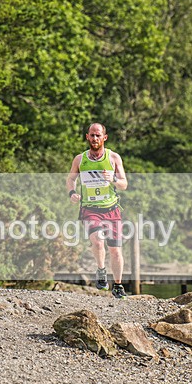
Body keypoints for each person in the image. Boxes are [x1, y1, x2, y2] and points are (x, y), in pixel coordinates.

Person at [66, 123, 129, 299]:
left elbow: (124, 184)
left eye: (98, 135)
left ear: (104, 138)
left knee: (115, 250)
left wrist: (113, 178)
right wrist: (72, 193)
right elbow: (71, 179)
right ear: (87, 137)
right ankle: (101, 270)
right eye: (92, 135)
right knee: (98, 240)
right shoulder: (80, 159)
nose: (95, 139)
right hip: (90, 208)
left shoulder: (114, 158)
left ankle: (117, 285)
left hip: (111, 209)